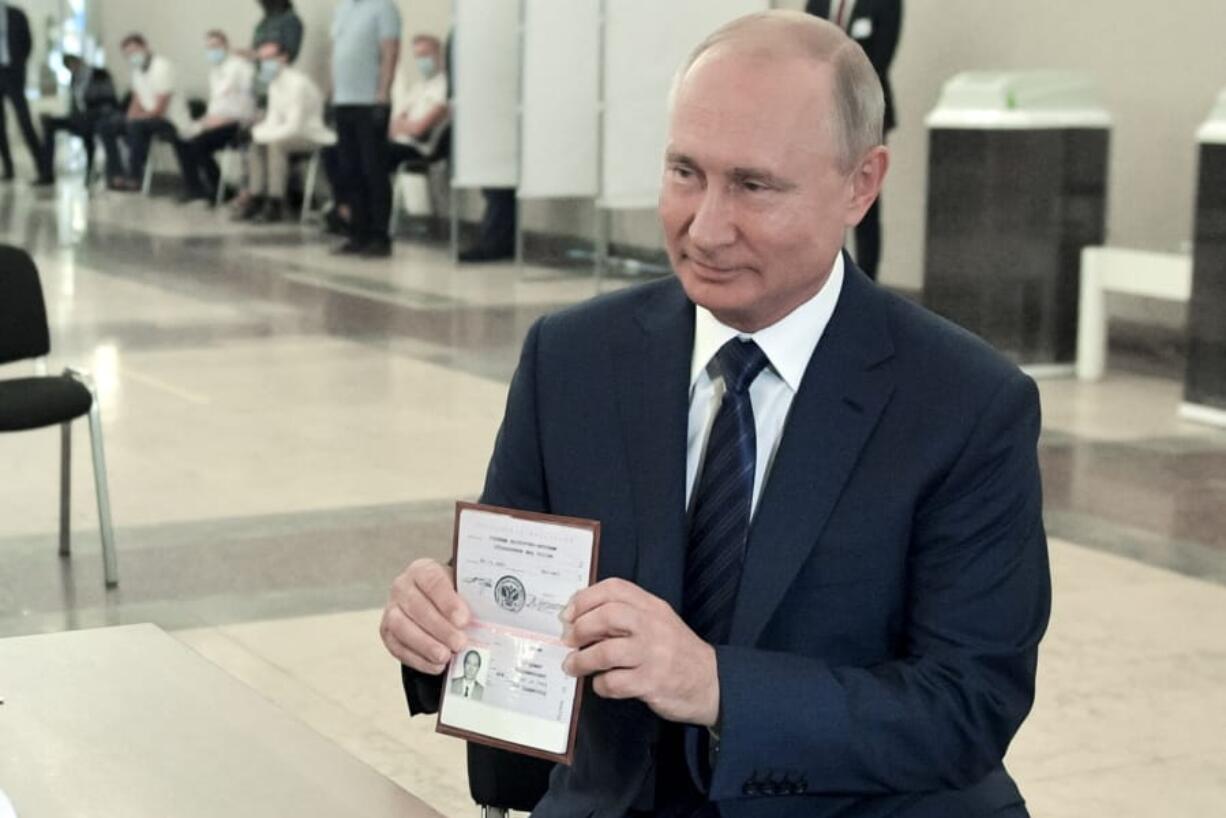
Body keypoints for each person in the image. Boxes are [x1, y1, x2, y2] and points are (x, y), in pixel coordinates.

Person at [382, 10, 1050, 818]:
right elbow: (516, 611)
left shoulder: (965, 404)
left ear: (861, 184)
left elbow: (965, 705)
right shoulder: (573, 359)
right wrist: (441, 630)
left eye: (753, 185)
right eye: (684, 173)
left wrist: (718, 687)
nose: (705, 227)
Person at [806, 0, 901, 281]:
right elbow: (805, 50)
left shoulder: (886, 3)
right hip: (817, 112)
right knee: (821, 195)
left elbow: (881, 58)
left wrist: (839, 91)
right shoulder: (818, 2)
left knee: (864, 201)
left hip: (865, 110)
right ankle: (824, 276)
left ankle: (867, 281)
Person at [323, 32, 450, 236]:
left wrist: (404, 124)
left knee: (368, 156)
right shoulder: (418, 88)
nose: (422, 61)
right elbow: (394, 123)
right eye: (417, 56)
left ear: (439, 55)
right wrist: (403, 124)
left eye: (426, 55)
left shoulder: (444, 88)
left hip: (419, 148)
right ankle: (345, 208)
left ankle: (368, 219)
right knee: (332, 152)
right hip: (397, 141)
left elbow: (419, 128)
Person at [232, 41, 334, 223]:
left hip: (310, 134)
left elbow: (294, 126)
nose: (265, 64)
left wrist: (260, 134)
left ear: (283, 57)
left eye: (269, 59)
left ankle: (275, 202)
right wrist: (255, 133)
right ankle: (257, 196)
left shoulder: (298, 84)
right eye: (261, 60)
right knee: (257, 143)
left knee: (276, 145)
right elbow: (273, 120)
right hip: (289, 133)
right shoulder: (274, 84)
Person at [330, 0, 402, 258]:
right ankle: (357, 233)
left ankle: (379, 236)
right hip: (343, 100)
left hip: (369, 101)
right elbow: (338, 53)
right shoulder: (342, 9)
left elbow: (390, 51)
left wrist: (383, 94)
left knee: (373, 169)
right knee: (350, 169)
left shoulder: (383, 7)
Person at [96, 33, 191, 192]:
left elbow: (159, 109)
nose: (132, 56)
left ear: (145, 47)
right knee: (105, 126)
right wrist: (129, 117)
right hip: (146, 119)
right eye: (128, 54)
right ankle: (116, 174)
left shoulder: (162, 67)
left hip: (168, 120)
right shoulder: (137, 71)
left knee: (135, 126)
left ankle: (135, 177)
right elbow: (137, 99)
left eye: (135, 51)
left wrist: (134, 119)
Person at [176, 30, 255, 203]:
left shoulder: (240, 67)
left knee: (199, 144)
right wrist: (201, 122)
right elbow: (216, 106)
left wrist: (210, 124)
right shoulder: (215, 71)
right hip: (217, 121)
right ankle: (194, 188)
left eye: (216, 46)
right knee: (182, 138)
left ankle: (220, 189)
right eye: (209, 47)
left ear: (226, 46)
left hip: (238, 124)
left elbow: (244, 105)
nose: (212, 51)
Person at [33, 55, 117, 186]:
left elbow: (109, 101)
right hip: (79, 118)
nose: (71, 68)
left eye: (72, 64)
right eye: (68, 66)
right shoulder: (74, 78)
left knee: (87, 127)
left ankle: (91, 171)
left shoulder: (99, 74)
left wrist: (90, 111)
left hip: (96, 117)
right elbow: (75, 105)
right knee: (49, 124)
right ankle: (46, 173)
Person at [0, 1, 42, 181]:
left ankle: (41, 166)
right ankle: (8, 168)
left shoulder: (16, 15)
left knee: (24, 119)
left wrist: (18, 64)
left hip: (14, 73)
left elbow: (27, 42)